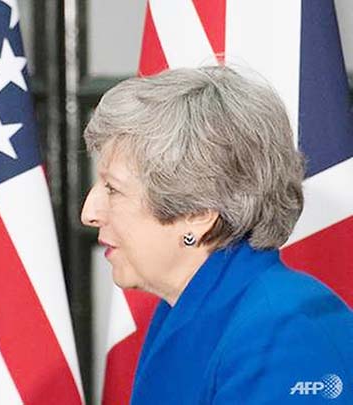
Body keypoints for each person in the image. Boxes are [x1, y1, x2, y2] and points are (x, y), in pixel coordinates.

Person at [81, 66, 352, 404]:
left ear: (197, 215)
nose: (89, 213)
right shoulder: (185, 309)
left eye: (113, 189)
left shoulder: (286, 331)